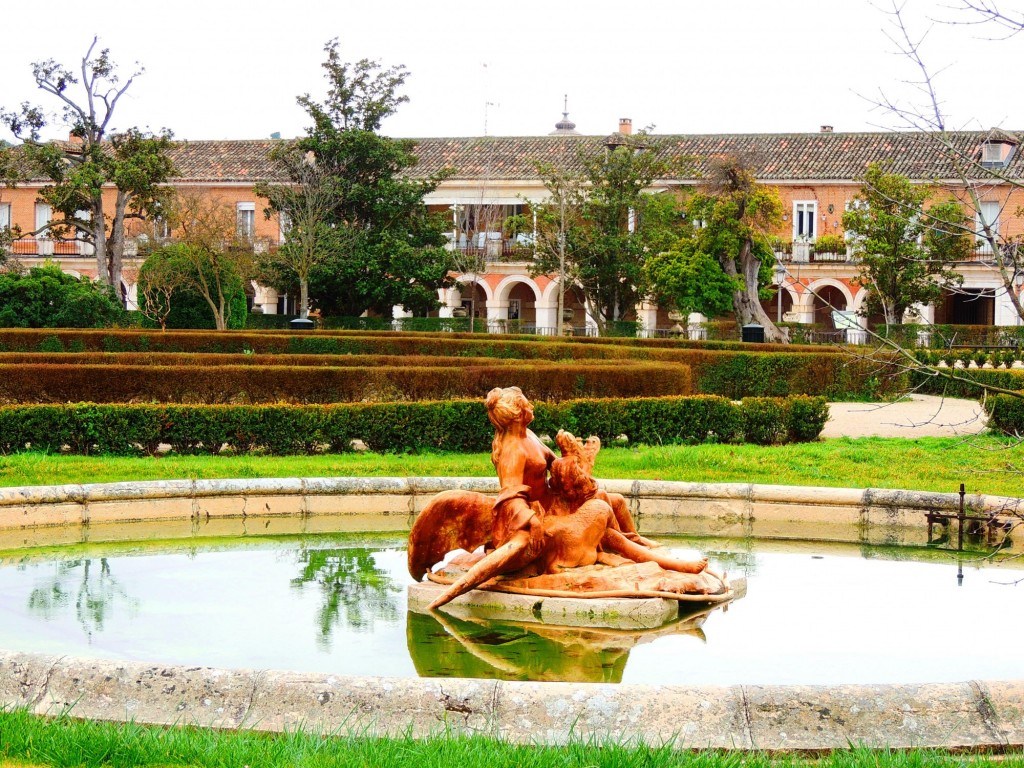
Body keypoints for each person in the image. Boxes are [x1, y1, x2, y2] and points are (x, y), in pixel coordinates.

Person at [426, 387, 712, 609]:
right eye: (527, 403)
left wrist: (573, 458)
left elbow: (556, 469)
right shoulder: (513, 448)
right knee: (601, 509)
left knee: (612, 500)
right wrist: (532, 523)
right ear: (518, 412)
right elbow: (509, 497)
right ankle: (638, 554)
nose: (532, 405)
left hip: (553, 504)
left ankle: (633, 544)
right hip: (530, 518)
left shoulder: (530, 437)